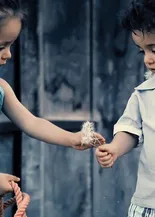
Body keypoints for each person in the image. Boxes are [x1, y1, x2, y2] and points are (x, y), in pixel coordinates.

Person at [0, 0, 105, 197]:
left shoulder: (1, 88)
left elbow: (31, 122)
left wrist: (72, 138)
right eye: (1, 46)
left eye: (11, 45)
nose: (8, 54)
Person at [95, 0, 155, 217]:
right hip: (151, 202)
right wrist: (115, 149)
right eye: (142, 50)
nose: (148, 59)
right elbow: (129, 130)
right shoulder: (144, 94)